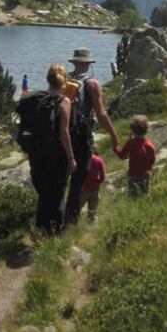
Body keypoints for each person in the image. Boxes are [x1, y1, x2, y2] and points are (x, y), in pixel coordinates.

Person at [17, 64, 76, 234]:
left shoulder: (36, 99)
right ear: (64, 81)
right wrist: (71, 158)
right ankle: (57, 233)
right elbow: (64, 133)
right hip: (56, 155)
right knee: (57, 193)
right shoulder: (64, 101)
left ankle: (41, 229)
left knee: (43, 192)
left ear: (47, 79)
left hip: (36, 153)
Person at [65, 47, 118, 225]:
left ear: (74, 62)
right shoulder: (92, 84)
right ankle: (71, 220)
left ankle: (55, 217)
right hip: (81, 135)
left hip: (62, 134)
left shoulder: (64, 80)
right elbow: (101, 113)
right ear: (88, 64)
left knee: (61, 177)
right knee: (78, 178)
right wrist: (113, 134)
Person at [114, 115, 155, 198]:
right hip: (146, 175)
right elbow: (152, 160)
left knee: (133, 197)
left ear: (132, 130)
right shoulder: (150, 145)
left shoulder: (130, 143)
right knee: (145, 195)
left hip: (133, 175)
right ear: (147, 129)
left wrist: (115, 147)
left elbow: (122, 155)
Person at [81, 145, 106, 222]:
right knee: (92, 213)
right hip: (94, 189)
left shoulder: (81, 160)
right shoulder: (99, 160)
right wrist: (97, 183)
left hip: (83, 189)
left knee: (76, 209)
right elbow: (103, 177)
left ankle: (72, 226)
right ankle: (90, 226)